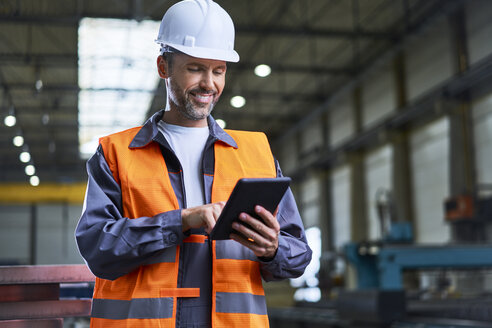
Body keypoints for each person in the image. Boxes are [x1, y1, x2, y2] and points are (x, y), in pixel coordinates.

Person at [75, 0, 312, 327]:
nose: (209, 84)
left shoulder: (256, 153)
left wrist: (272, 248)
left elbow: (298, 255)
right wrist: (182, 221)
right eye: (196, 68)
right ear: (164, 67)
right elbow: (97, 248)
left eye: (219, 71)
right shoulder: (116, 153)